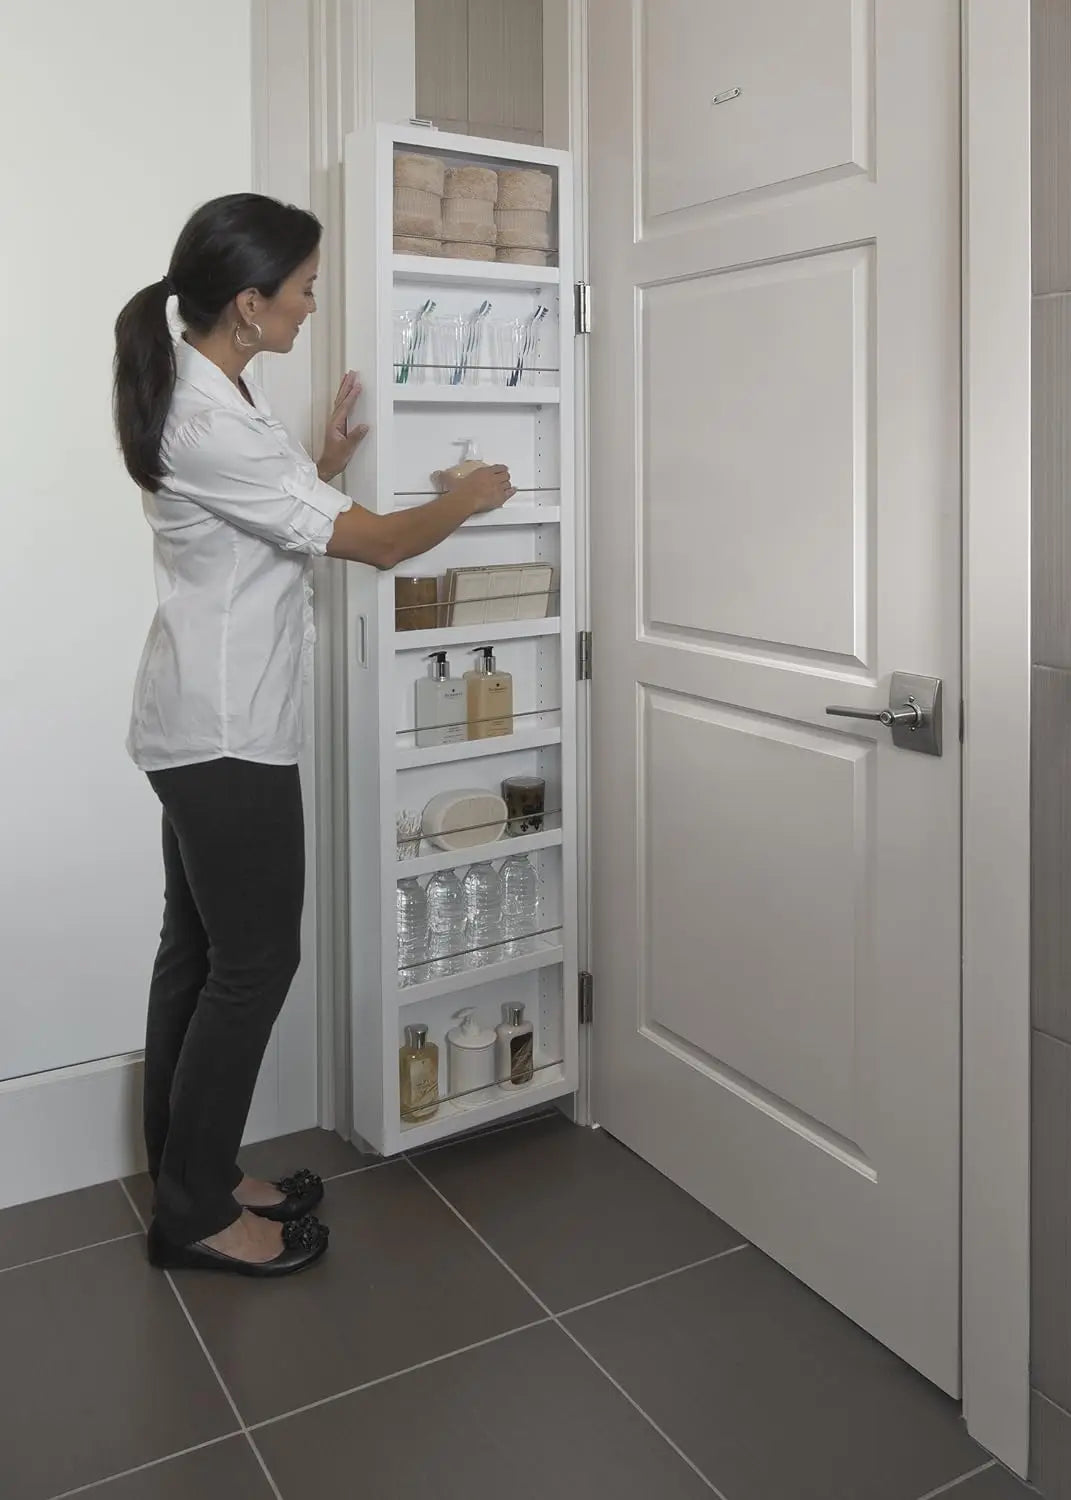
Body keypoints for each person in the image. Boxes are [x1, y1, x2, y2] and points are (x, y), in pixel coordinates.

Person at [114, 193, 513, 1278]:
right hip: (227, 734)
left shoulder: (219, 392)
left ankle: (191, 1167)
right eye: (302, 288)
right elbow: (376, 549)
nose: (312, 304)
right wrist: (469, 497)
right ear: (248, 303)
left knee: (197, 955)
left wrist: (323, 461)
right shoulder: (207, 418)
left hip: (201, 721)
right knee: (254, 961)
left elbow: (261, 523)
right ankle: (195, 1215)